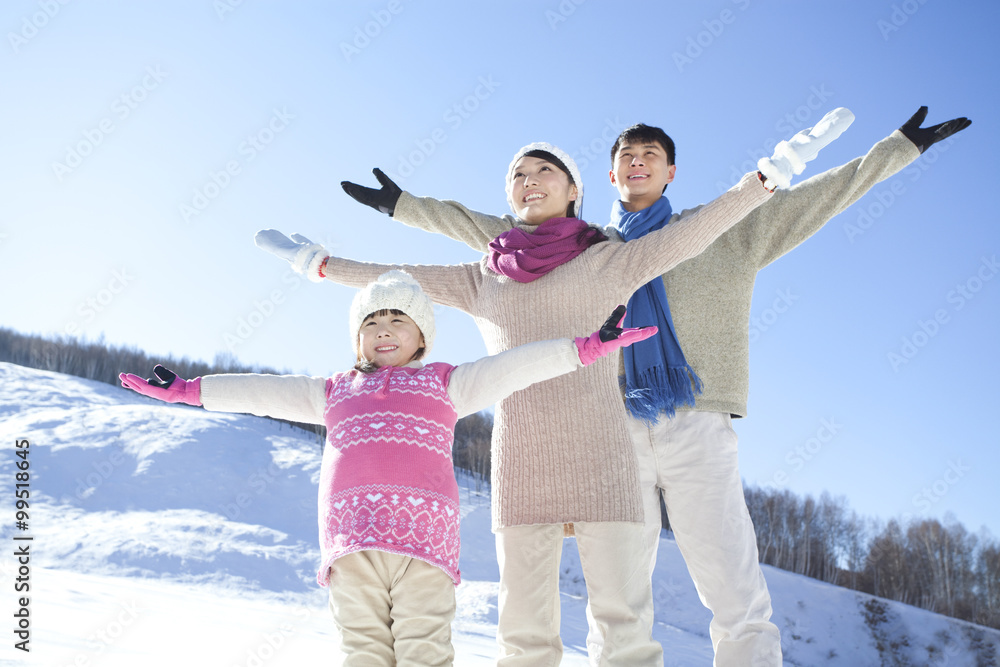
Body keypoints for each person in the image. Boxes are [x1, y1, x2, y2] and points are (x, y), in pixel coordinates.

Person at [337, 106, 971, 666]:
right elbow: (496, 234)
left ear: (671, 171)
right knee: (621, 590)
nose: (637, 163)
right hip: (609, 427)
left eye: (651, 156)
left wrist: (899, 149)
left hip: (697, 420)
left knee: (729, 576)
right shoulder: (582, 248)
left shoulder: (728, 229)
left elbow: (819, 196)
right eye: (625, 157)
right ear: (608, 177)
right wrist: (406, 207)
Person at [255, 126, 830, 665]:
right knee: (524, 632)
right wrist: (320, 265)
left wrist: (771, 173)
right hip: (523, 462)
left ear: (575, 189)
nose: (529, 179)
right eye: (518, 174)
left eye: (544, 169)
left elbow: (694, 233)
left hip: (610, 458)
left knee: (622, 627)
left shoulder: (608, 260)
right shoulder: (486, 276)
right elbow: (401, 280)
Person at [119, 270, 655, 667]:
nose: (384, 329)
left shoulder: (446, 383)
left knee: (425, 653)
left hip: (423, 547)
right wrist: (191, 392)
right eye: (372, 321)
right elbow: (264, 390)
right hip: (352, 547)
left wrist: (584, 348)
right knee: (363, 654)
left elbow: (513, 367)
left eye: (398, 318)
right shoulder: (333, 392)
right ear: (358, 338)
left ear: (422, 335)